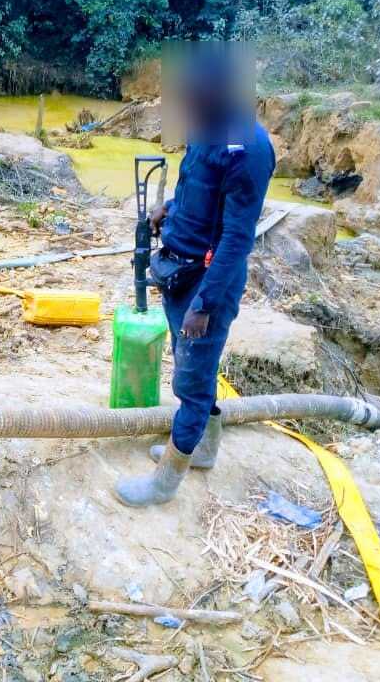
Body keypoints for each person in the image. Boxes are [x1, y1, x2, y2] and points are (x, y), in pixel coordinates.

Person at [114, 53, 275, 507]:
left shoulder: (249, 151)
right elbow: (195, 193)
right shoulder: (206, 128)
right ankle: (202, 447)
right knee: (198, 373)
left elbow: (237, 240)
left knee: (190, 382)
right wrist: (170, 212)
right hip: (179, 272)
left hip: (207, 285)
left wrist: (204, 306)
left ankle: (165, 483)